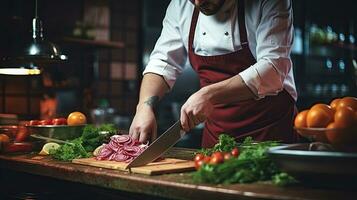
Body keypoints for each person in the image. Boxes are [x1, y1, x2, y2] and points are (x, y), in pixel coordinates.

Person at [129, 0, 298, 148]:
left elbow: (273, 68)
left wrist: (208, 94)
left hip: (270, 135)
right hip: (217, 140)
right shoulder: (180, 5)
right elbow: (163, 63)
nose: (197, 2)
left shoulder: (268, 2)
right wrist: (144, 106)